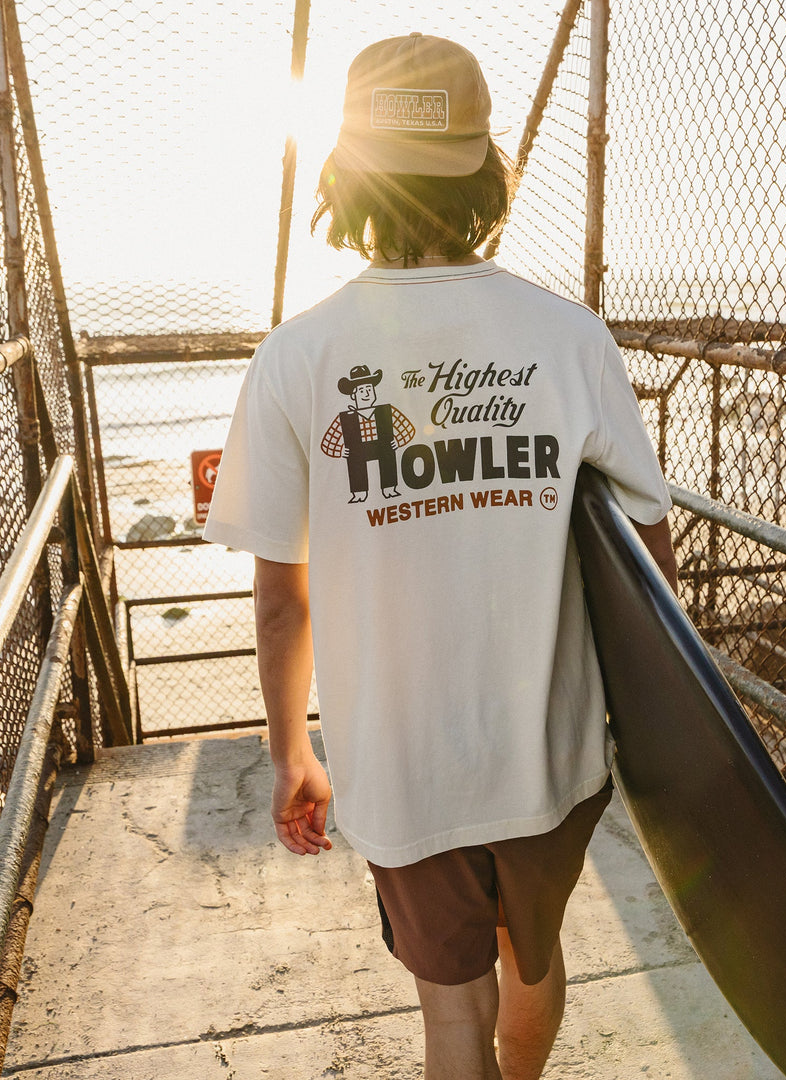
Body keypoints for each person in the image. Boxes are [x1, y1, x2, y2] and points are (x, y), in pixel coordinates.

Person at [203, 32, 677, 1080]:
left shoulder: (296, 357)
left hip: (402, 766)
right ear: (484, 170)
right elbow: (649, 557)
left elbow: (283, 600)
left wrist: (290, 753)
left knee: (450, 1015)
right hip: (548, 754)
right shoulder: (570, 338)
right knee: (534, 956)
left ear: (347, 175)